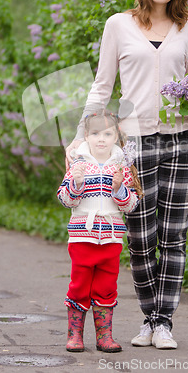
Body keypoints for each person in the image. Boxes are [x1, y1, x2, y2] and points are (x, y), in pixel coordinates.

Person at [66, 0, 188, 349]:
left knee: (174, 237)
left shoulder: (187, 27)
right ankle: (147, 317)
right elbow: (102, 86)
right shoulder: (119, 26)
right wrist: (79, 136)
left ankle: (164, 324)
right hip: (135, 143)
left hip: (183, 140)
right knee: (141, 236)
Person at [58, 110, 140, 353]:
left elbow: (132, 204)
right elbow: (65, 199)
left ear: (117, 136)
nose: (101, 139)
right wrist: (77, 184)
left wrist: (119, 189)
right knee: (79, 285)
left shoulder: (123, 169)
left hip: (112, 238)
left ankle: (105, 336)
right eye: (95, 133)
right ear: (86, 136)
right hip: (83, 237)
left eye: (107, 133)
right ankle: (75, 336)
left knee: (106, 285)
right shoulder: (77, 165)